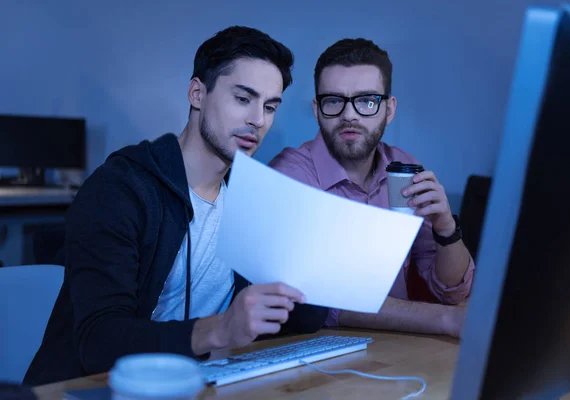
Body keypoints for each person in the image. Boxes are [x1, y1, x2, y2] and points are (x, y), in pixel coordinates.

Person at [24, 26, 328, 386]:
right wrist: (219, 329)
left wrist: (316, 258)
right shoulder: (119, 189)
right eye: (243, 99)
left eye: (270, 106)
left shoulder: (252, 201)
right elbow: (98, 343)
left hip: (199, 385)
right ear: (197, 93)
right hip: (92, 390)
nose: (258, 120)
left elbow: (299, 322)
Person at [268, 38, 474, 338]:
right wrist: (446, 320)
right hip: (318, 360)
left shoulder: (403, 166)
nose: (349, 115)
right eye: (334, 101)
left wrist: (446, 227)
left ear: (389, 109)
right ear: (317, 109)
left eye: (366, 101)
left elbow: (452, 291)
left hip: (397, 353)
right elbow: (321, 300)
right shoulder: (290, 176)